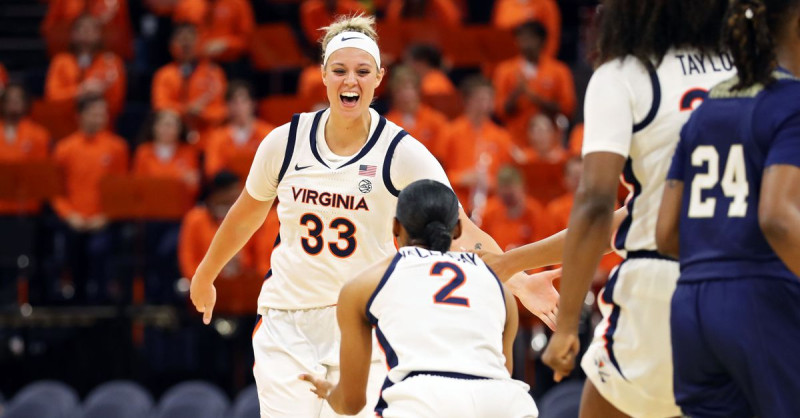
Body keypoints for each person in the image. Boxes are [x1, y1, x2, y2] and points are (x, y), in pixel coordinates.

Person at [188, 14, 558, 417]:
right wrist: (205, 274)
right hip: (287, 321)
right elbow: (246, 214)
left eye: (362, 71)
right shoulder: (284, 143)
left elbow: (461, 229)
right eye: (340, 70)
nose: (351, 81)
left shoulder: (402, 152)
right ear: (323, 75)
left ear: (379, 77)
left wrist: (520, 282)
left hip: (365, 321)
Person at [478, 1, 734, 417]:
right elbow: (630, 218)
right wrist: (512, 263)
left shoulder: (626, 75)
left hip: (663, 282)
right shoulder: (746, 71)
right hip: (748, 281)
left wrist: (565, 330)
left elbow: (598, 207)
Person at [655, 0, 800, 415]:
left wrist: (720, 261)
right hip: (762, 298)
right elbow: (778, 218)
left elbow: (665, 233)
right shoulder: (792, 102)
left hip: (691, 307)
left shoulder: (705, 111)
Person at [300, 179, 538, 417]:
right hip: (504, 403)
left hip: (424, 401)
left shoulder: (366, 283)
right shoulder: (500, 288)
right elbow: (501, 368)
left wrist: (331, 393)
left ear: (395, 227)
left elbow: (352, 403)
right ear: (457, 229)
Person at [52, 95, 128, 304]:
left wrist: (105, 216)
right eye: (94, 113)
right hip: (73, 220)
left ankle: (103, 303)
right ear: (80, 116)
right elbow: (56, 190)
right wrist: (69, 215)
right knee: (70, 253)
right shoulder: (64, 148)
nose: (99, 118)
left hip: (103, 221)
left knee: (100, 252)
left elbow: (121, 190)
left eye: (102, 113)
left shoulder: (116, 147)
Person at [493, 21, 575, 147]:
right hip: (514, 142)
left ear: (542, 41)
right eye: (521, 38)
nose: (525, 43)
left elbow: (567, 108)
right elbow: (500, 111)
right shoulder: (505, 70)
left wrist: (533, 96)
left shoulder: (559, 70)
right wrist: (517, 93)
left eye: (530, 38)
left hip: (549, 143)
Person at [151, 23, 228, 144]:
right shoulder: (164, 74)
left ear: (199, 42)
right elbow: (160, 106)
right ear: (171, 44)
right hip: (175, 139)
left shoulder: (214, 73)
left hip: (207, 138)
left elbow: (221, 112)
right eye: (181, 39)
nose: (186, 44)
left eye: (190, 38)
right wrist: (186, 110)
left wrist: (202, 112)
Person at [45, 14, 127, 119]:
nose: (86, 32)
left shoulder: (112, 62)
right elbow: (52, 97)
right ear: (73, 34)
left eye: (92, 29)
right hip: (65, 124)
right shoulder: (61, 61)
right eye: (81, 28)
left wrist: (99, 93)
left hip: (102, 125)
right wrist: (80, 90)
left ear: (100, 34)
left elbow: (117, 103)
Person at [204, 81, 275, 178]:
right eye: (234, 102)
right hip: (229, 189)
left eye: (243, 101)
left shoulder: (268, 133)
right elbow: (212, 170)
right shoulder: (217, 137)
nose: (239, 107)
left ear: (252, 104)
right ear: (227, 106)